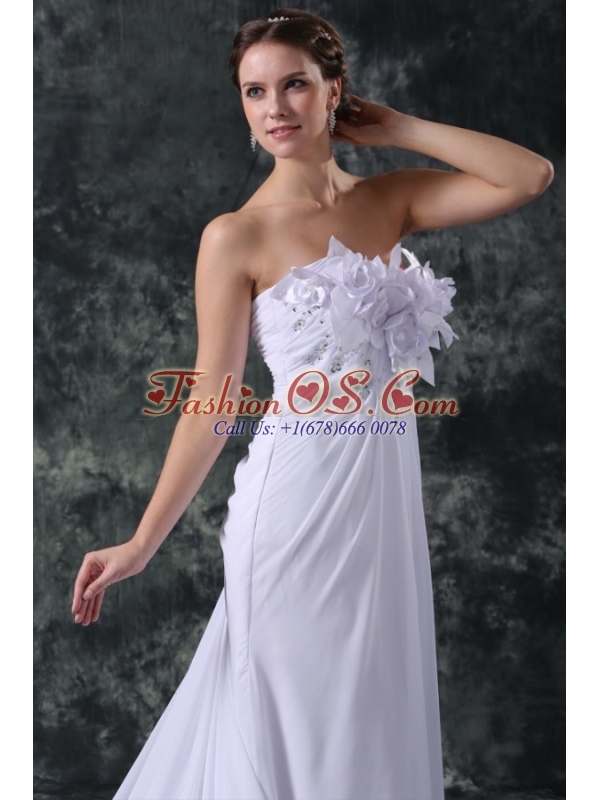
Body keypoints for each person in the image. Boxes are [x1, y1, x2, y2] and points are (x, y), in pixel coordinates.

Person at [71, 8, 554, 800]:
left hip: (381, 517)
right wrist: (142, 542)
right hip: (293, 513)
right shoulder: (236, 235)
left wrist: (400, 127)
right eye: (254, 91)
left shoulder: (391, 200)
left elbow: (529, 175)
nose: (275, 109)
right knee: (292, 724)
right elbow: (213, 401)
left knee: (370, 725)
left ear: (336, 91)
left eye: (294, 84)